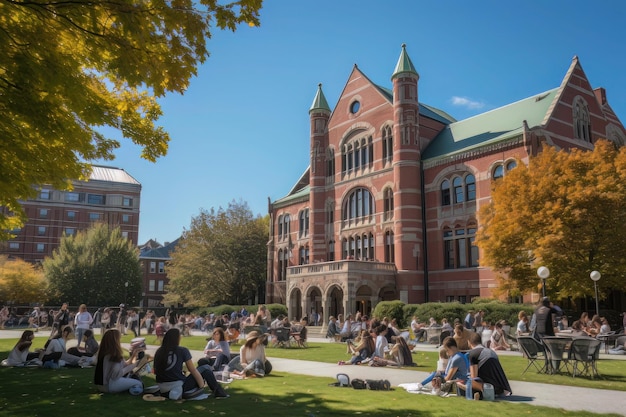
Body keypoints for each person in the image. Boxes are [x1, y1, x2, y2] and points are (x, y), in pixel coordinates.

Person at [154, 328, 229, 399]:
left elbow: (156, 370)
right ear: (177, 338)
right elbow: (192, 370)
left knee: (203, 366)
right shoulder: (182, 350)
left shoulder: (159, 351)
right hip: (179, 386)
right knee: (205, 368)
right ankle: (219, 392)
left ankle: (217, 391)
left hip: (162, 387)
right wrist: (201, 386)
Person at [94, 329, 145, 395]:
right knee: (139, 383)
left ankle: (128, 387)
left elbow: (124, 364)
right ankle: (133, 390)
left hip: (102, 385)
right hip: (109, 386)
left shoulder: (105, 353)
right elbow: (117, 375)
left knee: (133, 380)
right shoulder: (113, 355)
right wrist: (136, 365)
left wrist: (133, 355)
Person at [462, 331, 512, 399]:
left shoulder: (473, 353)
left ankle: (482, 392)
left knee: (468, 382)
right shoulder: (491, 352)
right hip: (499, 386)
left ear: (469, 342)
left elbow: (474, 377)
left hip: (487, 386)